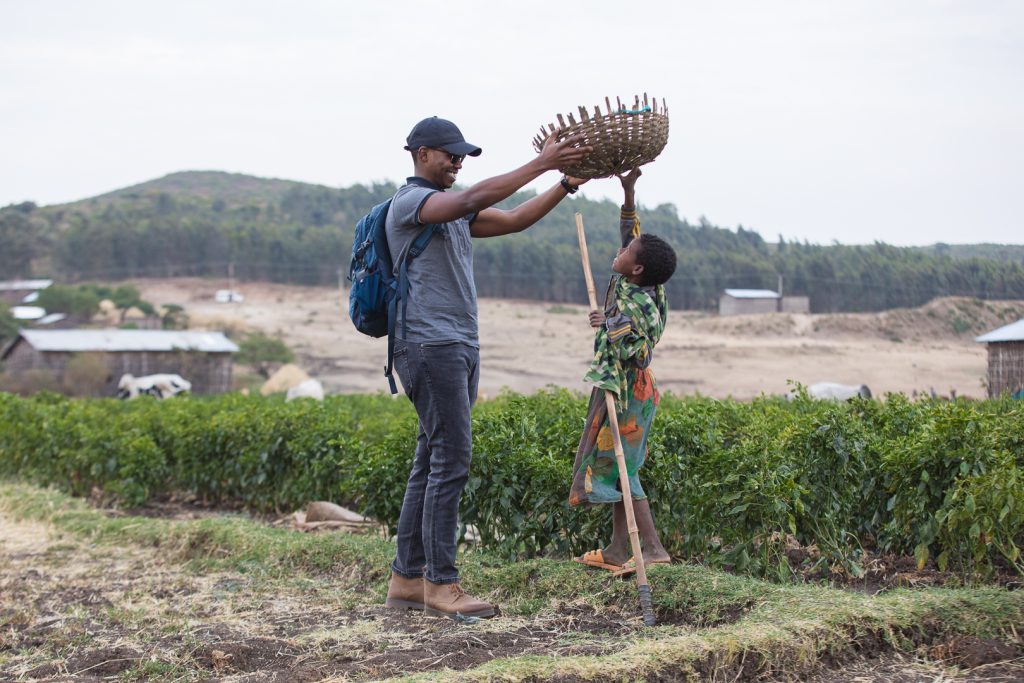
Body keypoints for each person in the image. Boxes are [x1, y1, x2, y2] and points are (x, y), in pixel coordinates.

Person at [384, 116, 591, 620]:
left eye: (462, 156)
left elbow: (517, 218)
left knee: (429, 464)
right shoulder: (413, 204)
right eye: (449, 155)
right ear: (421, 153)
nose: (456, 162)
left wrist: (562, 184)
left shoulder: (452, 214)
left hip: (455, 344)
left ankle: (407, 580)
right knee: (451, 463)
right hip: (430, 346)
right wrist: (543, 161)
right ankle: (441, 585)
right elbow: (470, 199)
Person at [569, 168, 677, 576]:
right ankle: (617, 549)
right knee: (614, 464)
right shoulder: (641, 279)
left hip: (629, 390)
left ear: (636, 269)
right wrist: (628, 191)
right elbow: (634, 233)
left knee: (622, 465)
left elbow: (642, 350)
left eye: (627, 251)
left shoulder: (639, 302)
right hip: (618, 386)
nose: (621, 250)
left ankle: (651, 548)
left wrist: (609, 323)